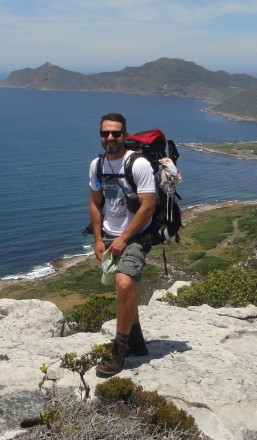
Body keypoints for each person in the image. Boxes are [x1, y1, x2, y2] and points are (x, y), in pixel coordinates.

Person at [88, 112, 156, 377]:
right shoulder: (97, 165)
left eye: (116, 133)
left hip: (135, 235)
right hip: (108, 236)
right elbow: (95, 202)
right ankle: (137, 342)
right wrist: (97, 239)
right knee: (123, 289)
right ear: (100, 136)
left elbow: (148, 208)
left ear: (125, 135)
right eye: (106, 133)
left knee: (124, 282)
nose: (111, 138)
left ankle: (120, 349)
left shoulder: (137, 164)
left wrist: (124, 238)